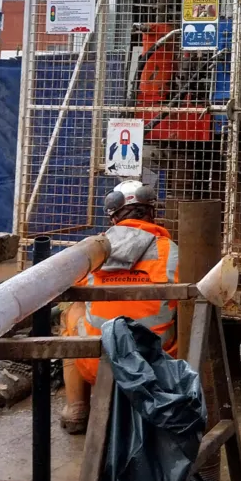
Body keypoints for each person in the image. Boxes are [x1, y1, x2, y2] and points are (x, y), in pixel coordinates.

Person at [60, 180, 180, 433]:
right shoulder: (170, 251)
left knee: (70, 311)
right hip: (156, 362)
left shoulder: (94, 250)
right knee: (178, 309)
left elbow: (71, 286)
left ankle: (77, 409)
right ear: (152, 213)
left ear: (112, 218)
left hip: (99, 362)